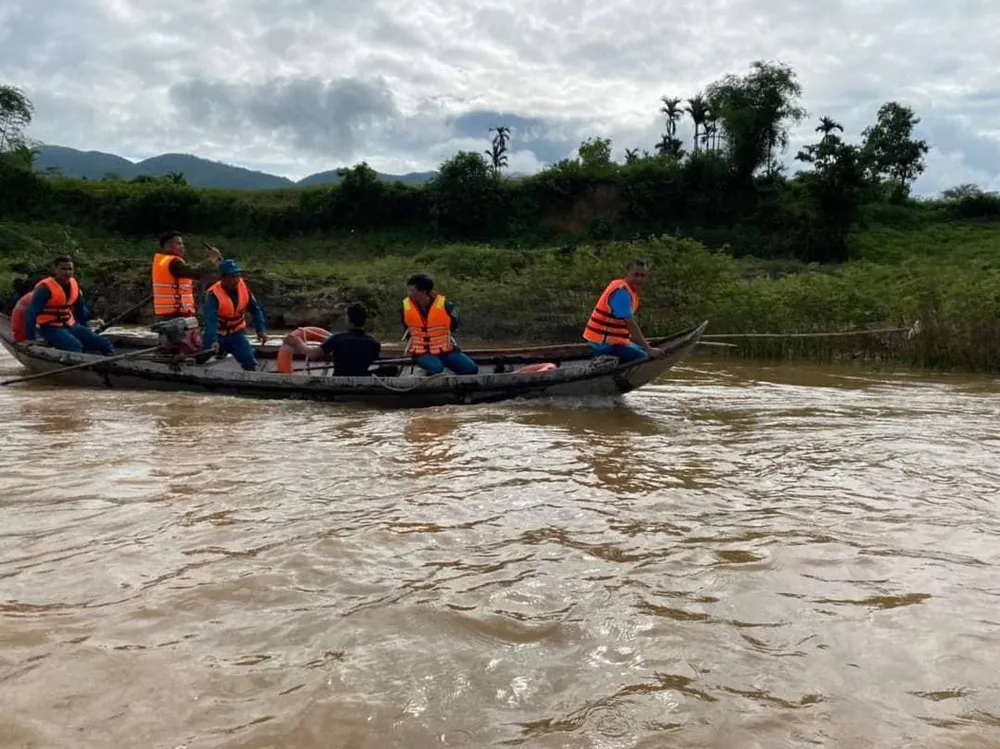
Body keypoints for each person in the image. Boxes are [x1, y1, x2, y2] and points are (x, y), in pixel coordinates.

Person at [19, 256, 115, 354]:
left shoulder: (74, 285)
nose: (67, 272)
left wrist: (86, 329)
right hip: (50, 328)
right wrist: (31, 338)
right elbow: (32, 313)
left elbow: (80, 310)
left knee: (103, 344)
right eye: (63, 269)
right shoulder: (45, 289)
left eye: (70, 269)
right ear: (56, 269)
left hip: (70, 326)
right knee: (75, 346)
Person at [582, 259, 665, 363]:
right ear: (627, 274)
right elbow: (630, 323)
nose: (639, 279)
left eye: (642, 276)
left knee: (642, 348)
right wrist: (649, 349)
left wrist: (643, 345)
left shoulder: (628, 291)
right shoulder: (621, 292)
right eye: (636, 275)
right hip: (604, 345)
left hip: (613, 342)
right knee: (645, 357)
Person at [401, 273, 478, 375]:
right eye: (408, 290)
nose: (409, 294)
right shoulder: (406, 307)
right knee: (436, 368)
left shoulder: (446, 305)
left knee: (471, 368)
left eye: (412, 290)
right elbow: (406, 328)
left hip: (445, 351)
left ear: (423, 292)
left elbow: (454, 326)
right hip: (421, 352)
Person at [201, 259, 268, 371]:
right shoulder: (213, 294)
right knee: (201, 357)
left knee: (249, 361)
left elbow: (256, 310)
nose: (236, 280)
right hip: (217, 334)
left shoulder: (243, 288)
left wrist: (261, 330)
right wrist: (213, 340)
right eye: (232, 277)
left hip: (236, 334)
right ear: (222, 278)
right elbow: (210, 320)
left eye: (237, 276)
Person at [285, 303, 387, 376]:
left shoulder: (338, 339)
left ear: (348, 319)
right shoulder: (374, 343)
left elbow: (313, 354)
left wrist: (299, 342)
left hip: (339, 380)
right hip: (362, 380)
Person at [152, 231, 223, 320]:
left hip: (171, 314)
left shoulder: (164, 262)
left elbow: (194, 269)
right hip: (175, 315)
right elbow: (196, 273)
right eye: (178, 244)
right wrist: (212, 258)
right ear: (167, 246)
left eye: (182, 244)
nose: (182, 246)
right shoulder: (174, 263)